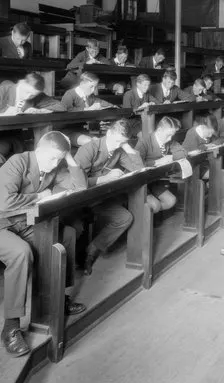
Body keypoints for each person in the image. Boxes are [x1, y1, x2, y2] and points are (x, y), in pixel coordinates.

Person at [0, 131, 88, 357]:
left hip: (22, 224)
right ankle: (11, 327)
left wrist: (69, 158)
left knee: (67, 234)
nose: (54, 164)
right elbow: (4, 203)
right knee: (21, 253)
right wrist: (40, 196)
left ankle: (58, 297)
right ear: (39, 150)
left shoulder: (52, 166)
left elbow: (81, 187)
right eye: (52, 158)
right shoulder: (18, 162)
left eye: (58, 160)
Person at [73, 119, 144, 275]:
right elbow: (76, 182)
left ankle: (91, 250)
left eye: (122, 142)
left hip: (102, 197)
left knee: (125, 218)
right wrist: (105, 178)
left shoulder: (119, 149)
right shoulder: (89, 148)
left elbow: (139, 169)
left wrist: (128, 148)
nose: (118, 145)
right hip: (81, 199)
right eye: (117, 140)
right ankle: (80, 257)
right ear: (109, 133)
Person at [0, 73, 65, 170]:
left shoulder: (37, 97)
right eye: (27, 92)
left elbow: (61, 106)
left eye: (32, 95)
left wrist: (39, 111)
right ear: (21, 83)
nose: (28, 96)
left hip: (7, 135)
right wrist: (2, 115)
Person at [135, 116, 187, 214]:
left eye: (172, 135)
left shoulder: (168, 141)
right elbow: (136, 164)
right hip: (141, 183)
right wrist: (156, 162)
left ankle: (149, 216)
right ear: (159, 130)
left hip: (155, 181)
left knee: (171, 201)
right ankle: (143, 218)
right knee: (155, 205)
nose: (170, 138)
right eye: (168, 135)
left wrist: (171, 157)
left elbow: (184, 152)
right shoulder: (144, 141)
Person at [61, 72, 117, 146]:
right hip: (67, 131)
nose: (93, 90)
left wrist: (113, 106)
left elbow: (101, 102)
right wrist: (87, 109)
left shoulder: (90, 96)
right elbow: (65, 111)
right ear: (82, 84)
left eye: (95, 87)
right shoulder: (70, 94)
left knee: (100, 141)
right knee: (89, 142)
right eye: (91, 87)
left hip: (82, 130)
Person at [182, 114, 217, 180]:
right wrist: (206, 146)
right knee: (213, 174)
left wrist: (208, 145)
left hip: (201, 161)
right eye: (209, 133)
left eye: (211, 134)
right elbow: (195, 151)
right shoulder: (192, 133)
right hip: (191, 164)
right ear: (203, 127)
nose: (210, 136)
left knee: (217, 170)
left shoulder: (206, 133)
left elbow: (215, 140)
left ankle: (208, 185)